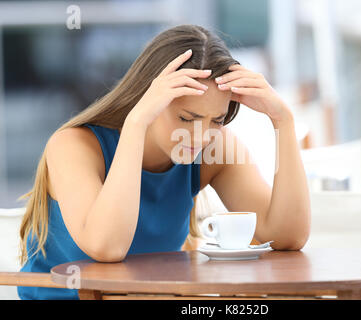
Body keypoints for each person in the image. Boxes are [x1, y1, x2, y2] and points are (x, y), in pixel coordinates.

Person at [17, 24, 311, 300]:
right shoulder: (75, 145)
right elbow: (107, 247)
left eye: (217, 120)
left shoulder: (212, 149)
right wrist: (136, 125)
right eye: (187, 118)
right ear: (148, 100)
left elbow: (286, 237)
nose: (202, 136)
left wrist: (282, 121)